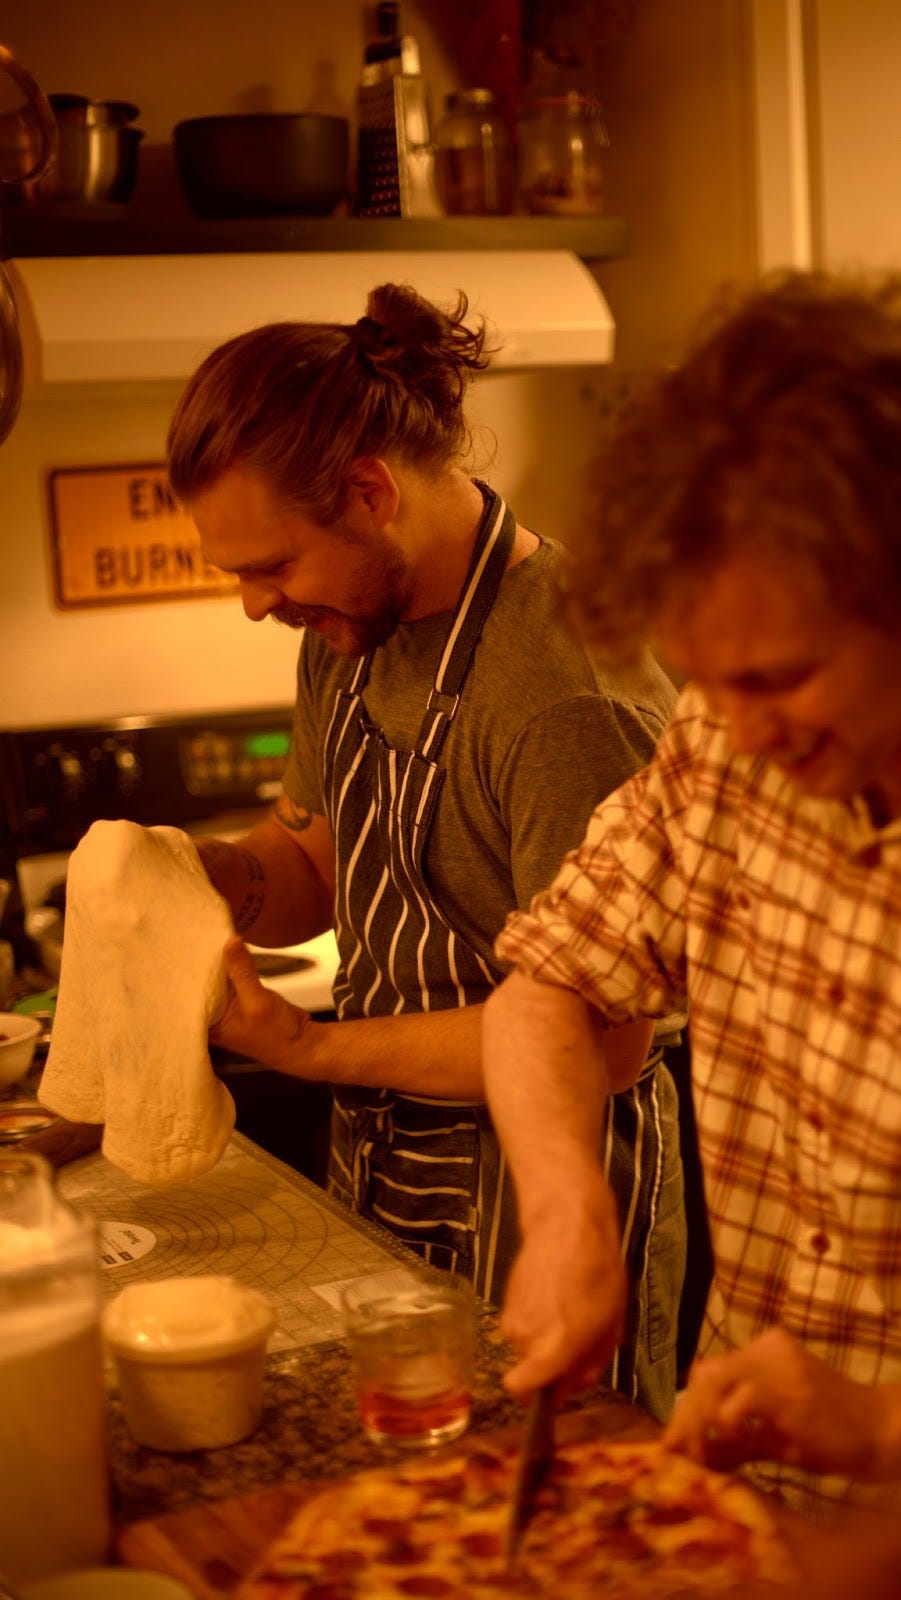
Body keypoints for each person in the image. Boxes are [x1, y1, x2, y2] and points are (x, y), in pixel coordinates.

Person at [482, 267, 901, 1558]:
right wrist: (571, 1215)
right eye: (709, 681)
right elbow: (549, 979)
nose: (741, 729)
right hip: (739, 1526)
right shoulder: (728, 742)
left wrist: (898, 1423)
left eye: (782, 677)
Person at [164, 282, 685, 1418]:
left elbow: (601, 1044)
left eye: (272, 566)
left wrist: (305, 1048)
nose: (257, 606)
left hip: (553, 1195)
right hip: (398, 1160)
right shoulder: (355, 622)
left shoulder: (560, 694)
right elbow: (317, 859)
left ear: (369, 492)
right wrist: (207, 883)